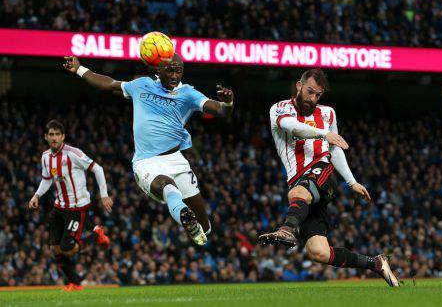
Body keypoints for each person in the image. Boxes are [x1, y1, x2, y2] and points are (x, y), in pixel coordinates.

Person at [63, 54, 234, 245]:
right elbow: (109, 84)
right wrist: (79, 69)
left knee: (205, 227)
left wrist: (227, 103)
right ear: (158, 70)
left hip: (175, 159)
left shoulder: (188, 93)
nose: (175, 75)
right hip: (146, 162)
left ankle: (195, 225)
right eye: (170, 70)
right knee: (167, 186)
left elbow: (219, 110)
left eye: (179, 70)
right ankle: (184, 215)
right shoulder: (141, 85)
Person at [258, 69, 400, 287]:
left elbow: (334, 149)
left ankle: (287, 230)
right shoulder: (279, 109)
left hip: (322, 171)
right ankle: (376, 263)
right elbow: (293, 128)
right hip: (300, 184)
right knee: (319, 253)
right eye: (310, 92)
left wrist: (351, 181)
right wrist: (323, 134)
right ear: (299, 85)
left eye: (318, 95)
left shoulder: (328, 114)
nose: (313, 98)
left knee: (297, 193)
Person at [28, 119, 113, 291]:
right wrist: (36, 195)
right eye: (51, 134)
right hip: (59, 207)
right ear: (45, 137)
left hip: (77, 207)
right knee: (55, 247)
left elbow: (98, 169)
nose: (54, 138)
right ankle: (74, 283)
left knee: (68, 247)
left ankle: (96, 234)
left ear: (63, 136)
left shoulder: (73, 154)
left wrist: (104, 195)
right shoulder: (45, 157)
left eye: (57, 134)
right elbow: (46, 180)